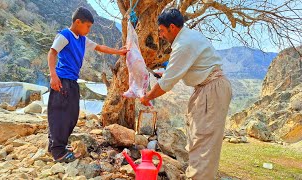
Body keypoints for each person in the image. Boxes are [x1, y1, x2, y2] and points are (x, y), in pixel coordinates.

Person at [140, 9, 232, 179]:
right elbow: (185, 68)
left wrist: (146, 97)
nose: (160, 35)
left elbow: (166, 84)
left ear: (172, 27)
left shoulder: (183, 45)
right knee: (198, 139)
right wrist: (167, 72)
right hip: (209, 88)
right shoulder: (189, 37)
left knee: (204, 143)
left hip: (211, 89)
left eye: (161, 30)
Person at [47, 6, 128, 163]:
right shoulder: (65, 35)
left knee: (71, 115)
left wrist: (119, 52)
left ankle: (56, 144)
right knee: (60, 115)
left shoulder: (83, 40)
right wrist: (53, 76)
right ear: (78, 22)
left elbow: (99, 47)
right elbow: (52, 53)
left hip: (72, 82)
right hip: (62, 80)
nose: (89, 30)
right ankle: (58, 151)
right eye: (88, 26)